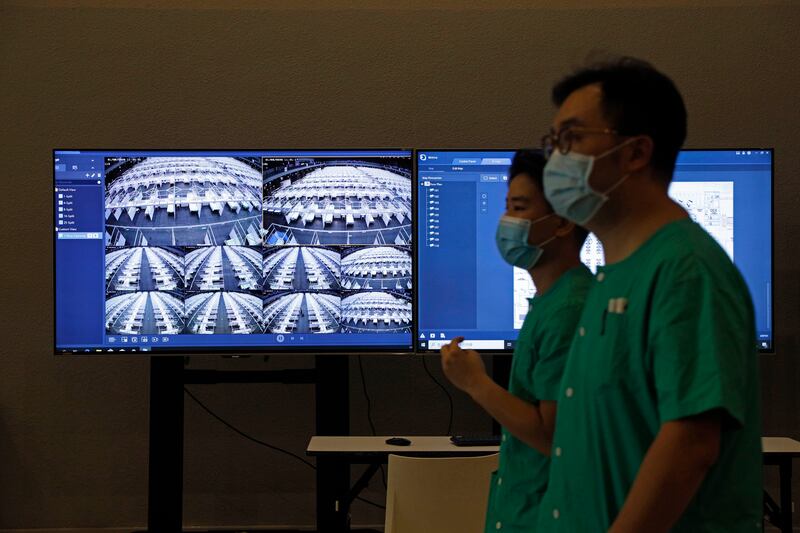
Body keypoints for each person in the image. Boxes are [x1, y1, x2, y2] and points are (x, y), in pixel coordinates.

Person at [536, 56, 762, 532]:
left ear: (635, 153)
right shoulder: (611, 275)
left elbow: (690, 444)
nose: (556, 159)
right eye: (553, 142)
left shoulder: (686, 270)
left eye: (572, 139)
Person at [440, 149, 592, 533]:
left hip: (548, 515)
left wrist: (474, 382)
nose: (506, 221)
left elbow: (551, 436)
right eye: (507, 206)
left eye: (519, 208)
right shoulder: (550, 302)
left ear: (561, 222)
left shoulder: (569, 311)